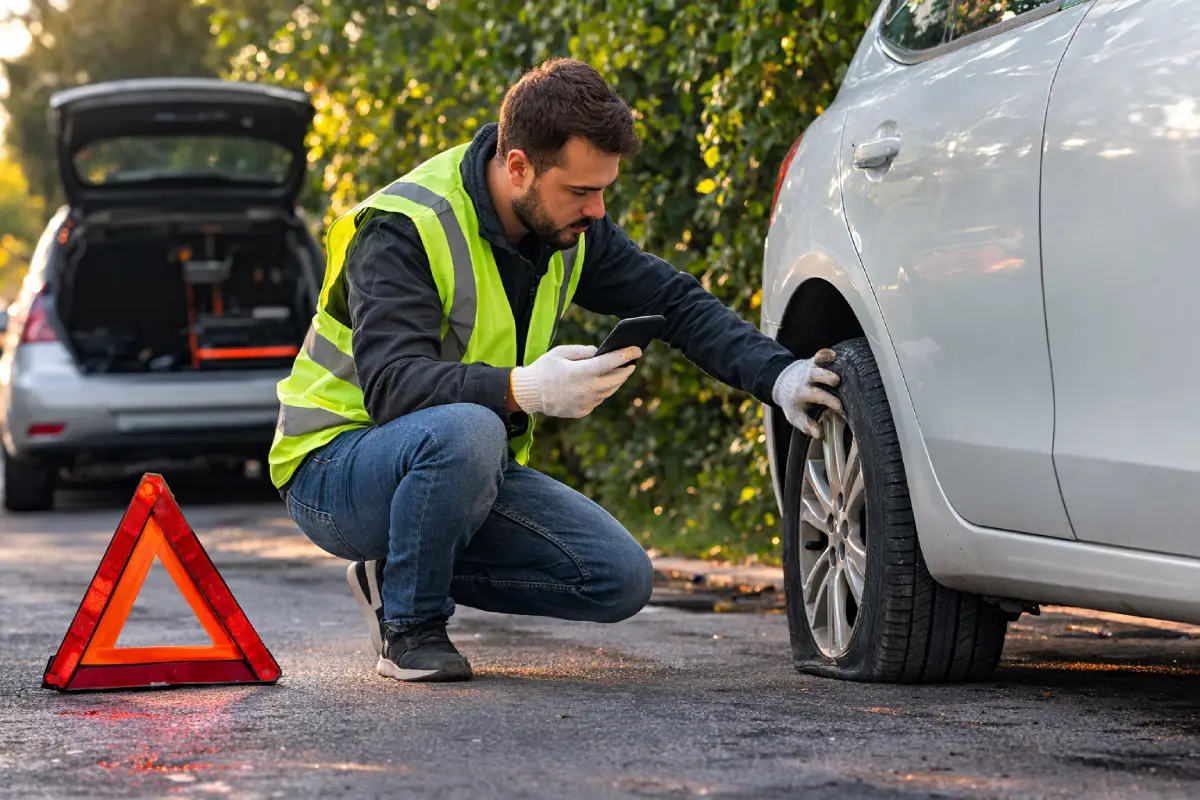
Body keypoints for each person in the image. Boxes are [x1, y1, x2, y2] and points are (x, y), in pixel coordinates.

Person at [268, 58, 841, 683]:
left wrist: (778, 376)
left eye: (603, 190)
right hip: (332, 467)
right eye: (580, 191)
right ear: (518, 166)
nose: (597, 210)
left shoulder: (571, 226)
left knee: (618, 578)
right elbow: (394, 387)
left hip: (454, 467)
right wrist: (528, 389)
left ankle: (398, 570)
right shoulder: (403, 228)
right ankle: (411, 627)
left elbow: (673, 303)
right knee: (471, 428)